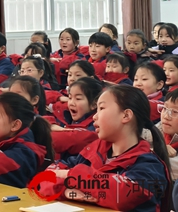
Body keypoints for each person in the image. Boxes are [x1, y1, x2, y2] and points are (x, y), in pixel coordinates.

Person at [40, 85, 171, 212]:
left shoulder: (149, 164)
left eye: (101, 108)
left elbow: (123, 194)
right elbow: (45, 179)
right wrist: (67, 192)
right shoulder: (91, 153)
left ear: (126, 116)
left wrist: (69, 174)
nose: (94, 117)